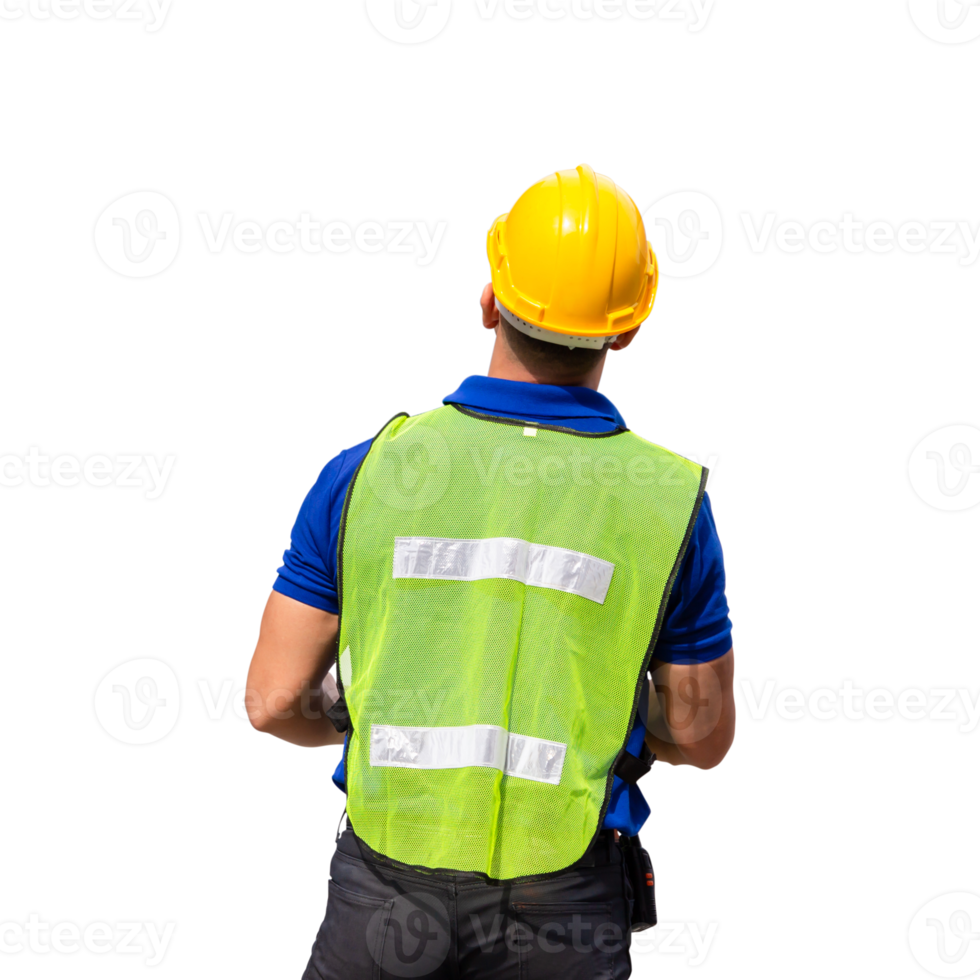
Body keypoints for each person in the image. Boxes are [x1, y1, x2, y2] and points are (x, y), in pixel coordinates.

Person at [243, 162, 737, 980]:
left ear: (489, 299)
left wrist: (379, 709)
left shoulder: (368, 471)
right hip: (567, 899)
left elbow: (270, 702)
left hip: (383, 887)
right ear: (628, 330)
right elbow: (703, 736)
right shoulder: (670, 500)